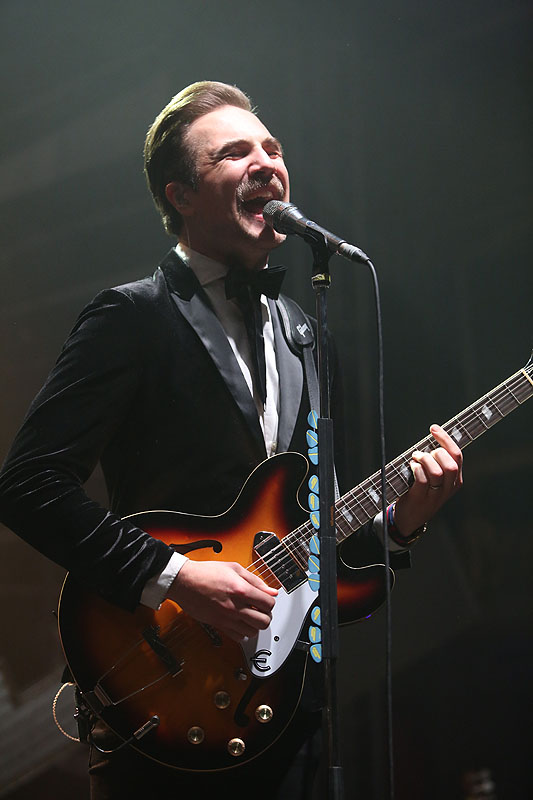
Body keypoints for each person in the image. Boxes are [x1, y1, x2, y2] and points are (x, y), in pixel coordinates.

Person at [0, 81, 463, 798]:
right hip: (164, 689)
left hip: (286, 710)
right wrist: (178, 578)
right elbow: (28, 484)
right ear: (181, 195)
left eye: (272, 148)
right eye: (235, 152)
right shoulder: (133, 316)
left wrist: (399, 525)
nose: (266, 161)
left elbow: (313, 549)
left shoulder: (307, 334)